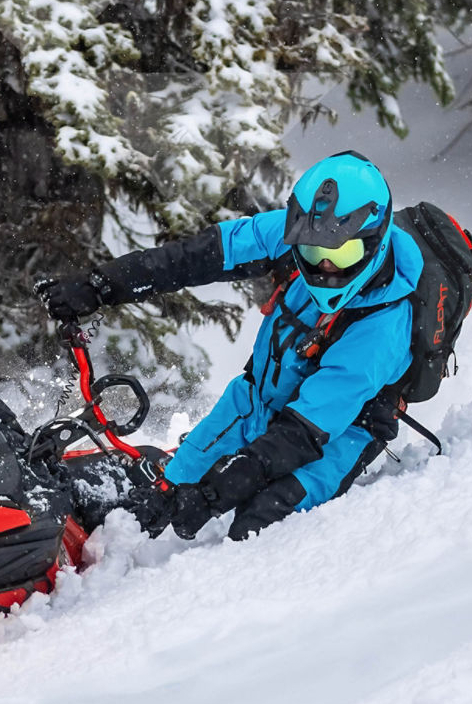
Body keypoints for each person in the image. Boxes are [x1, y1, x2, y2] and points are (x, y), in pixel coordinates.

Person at [39, 150, 427, 541]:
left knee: (255, 526)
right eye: (312, 253)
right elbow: (197, 257)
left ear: (373, 244)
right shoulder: (300, 231)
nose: (323, 267)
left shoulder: (383, 328)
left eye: (340, 254)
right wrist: (102, 285)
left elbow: (304, 432)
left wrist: (211, 496)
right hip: (258, 399)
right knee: (159, 499)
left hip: (341, 431)